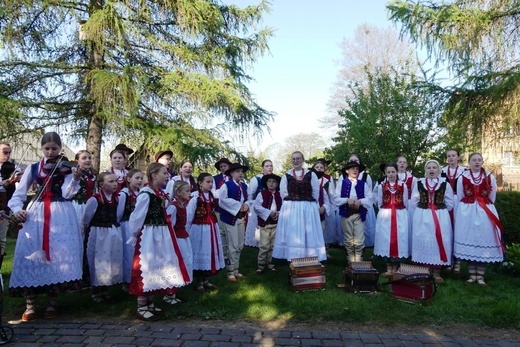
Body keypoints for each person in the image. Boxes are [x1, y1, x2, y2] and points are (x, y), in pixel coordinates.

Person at [8, 132, 83, 321]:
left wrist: (75, 179)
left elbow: (67, 194)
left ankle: (52, 302)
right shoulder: (33, 168)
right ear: (41, 149)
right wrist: (18, 210)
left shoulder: (66, 169)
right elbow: (18, 195)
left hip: (61, 214)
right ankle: (31, 304)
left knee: (57, 254)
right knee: (32, 253)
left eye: (54, 149)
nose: (50, 152)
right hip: (37, 214)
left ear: (60, 149)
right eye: (47, 148)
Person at [127, 163, 191, 321]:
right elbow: (136, 218)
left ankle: (150, 303)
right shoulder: (145, 195)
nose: (166, 175)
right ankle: (141, 307)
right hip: (149, 235)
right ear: (154, 175)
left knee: (157, 267)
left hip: (161, 234)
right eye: (164, 173)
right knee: (147, 267)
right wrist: (135, 235)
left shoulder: (158, 193)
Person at [454, 153, 504, 286]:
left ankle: (480, 276)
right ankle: (472, 275)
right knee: (470, 239)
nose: (476, 162)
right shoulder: (462, 177)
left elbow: (492, 197)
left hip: (485, 212)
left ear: (482, 162)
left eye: (479, 160)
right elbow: (460, 196)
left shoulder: (489, 177)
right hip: (467, 212)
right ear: (469, 163)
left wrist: (483, 205)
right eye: (473, 160)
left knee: (483, 240)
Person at [272, 151, 326, 262]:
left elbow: (315, 193)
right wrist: (294, 202)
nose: (295, 161)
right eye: (293, 159)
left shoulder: (311, 174)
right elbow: (283, 193)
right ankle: (294, 257)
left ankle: (309, 256)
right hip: (292, 208)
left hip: (308, 207)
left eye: (298, 158)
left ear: (303, 160)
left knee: (308, 232)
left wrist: (308, 203)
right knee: (294, 232)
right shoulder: (286, 175)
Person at [82, 172, 124, 302]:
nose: (115, 184)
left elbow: (117, 215)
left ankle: (105, 288)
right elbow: (86, 219)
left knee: (110, 259)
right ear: (101, 184)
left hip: (111, 232)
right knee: (98, 260)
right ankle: (95, 290)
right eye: (111, 181)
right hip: (98, 232)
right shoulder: (95, 199)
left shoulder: (116, 199)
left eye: (115, 181)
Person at [411, 160, 454, 283]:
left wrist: (440, 209)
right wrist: (421, 211)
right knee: (423, 240)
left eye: (434, 167)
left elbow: (450, 202)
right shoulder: (419, 183)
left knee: (437, 241)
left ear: (438, 170)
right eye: (429, 167)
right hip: (422, 215)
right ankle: (425, 270)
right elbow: (414, 201)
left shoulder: (444, 183)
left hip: (440, 216)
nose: (431, 170)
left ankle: (436, 272)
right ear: (425, 170)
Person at [187, 173, 225, 292]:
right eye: (208, 182)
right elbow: (189, 215)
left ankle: (206, 281)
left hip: (211, 228)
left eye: (211, 182)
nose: (210, 184)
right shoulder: (195, 197)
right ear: (200, 183)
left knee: (210, 251)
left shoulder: (212, 196)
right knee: (200, 250)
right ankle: (199, 282)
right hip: (199, 229)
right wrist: (187, 231)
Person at [374, 162, 409, 277]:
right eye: (388, 172)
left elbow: (405, 201)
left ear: (397, 172)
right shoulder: (381, 186)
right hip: (386, 215)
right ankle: (389, 267)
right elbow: (379, 202)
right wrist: (384, 211)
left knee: (400, 238)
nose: (391, 174)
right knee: (386, 238)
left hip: (399, 214)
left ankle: (396, 266)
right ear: (385, 173)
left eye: (393, 172)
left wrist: (400, 211)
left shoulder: (402, 185)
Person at [333, 161, 372, 263]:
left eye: (357, 169)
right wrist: (346, 200)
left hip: (359, 215)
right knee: (348, 240)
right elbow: (335, 199)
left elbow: (370, 200)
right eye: (352, 168)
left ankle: (358, 262)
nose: (355, 170)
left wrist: (360, 201)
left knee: (359, 240)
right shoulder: (341, 183)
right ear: (347, 171)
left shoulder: (363, 184)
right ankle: (351, 262)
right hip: (346, 215)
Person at [218, 163, 250, 282]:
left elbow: (248, 199)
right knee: (233, 245)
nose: (240, 173)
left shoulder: (244, 186)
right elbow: (222, 200)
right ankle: (230, 272)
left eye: (241, 171)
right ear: (231, 173)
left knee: (240, 245)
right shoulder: (226, 185)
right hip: (230, 218)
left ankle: (236, 270)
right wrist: (238, 206)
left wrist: (246, 205)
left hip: (241, 218)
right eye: (237, 171)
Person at [165, 180, 193, 302]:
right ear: (178, 192)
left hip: (183, 238)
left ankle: (174, 292)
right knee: (175, 264)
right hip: (176, 239)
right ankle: (169, 293)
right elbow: (170, 225)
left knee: (185, 261)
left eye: (189, 190)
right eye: (187, 191)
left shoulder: (183, 206)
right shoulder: (173, 207)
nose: (189, 193)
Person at [441, 149, 466, 273]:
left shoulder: (464, 171)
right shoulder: (442, 172)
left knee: (458, 229)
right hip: (446, 202)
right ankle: (448, 259)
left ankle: (458, 260)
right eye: (449, 156)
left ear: (458, 157)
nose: (451, 158)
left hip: (459, 201)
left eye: (453, 156)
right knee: (447, 229)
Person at [119, 169, 143, 286]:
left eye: (141, 178)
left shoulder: (142, 193)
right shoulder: (124, 194)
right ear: (128, 179)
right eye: (137, 178)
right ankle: (127, 280)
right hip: (127, 225)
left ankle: (137, 278)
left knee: (137, 252)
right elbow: (119, 212)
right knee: (128, 253)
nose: (139, 180)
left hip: (139, 226)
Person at [253, 173, 282, 273]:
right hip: (265, 224)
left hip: (276, 224)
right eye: (269, 181)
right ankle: (260, 265)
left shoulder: (280, 195)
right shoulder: (262, 194)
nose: (271, 183)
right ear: (266, 183)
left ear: (277, 184)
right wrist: (269, 213)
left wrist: (278, 213)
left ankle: (271, 263)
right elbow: (257, 207)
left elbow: (284, 208)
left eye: (274, 182)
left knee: (273, 245)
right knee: (264, 245)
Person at [348, 154, 377, 249]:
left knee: (364, 227)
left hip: (363, 205)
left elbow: (369, 192)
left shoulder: (365, 175)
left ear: (359, 162)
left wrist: (361, 202)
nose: (354, 161)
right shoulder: (344, 176)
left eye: (356, 160)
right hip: (349, 206)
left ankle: (363, 248)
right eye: (351, 160)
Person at [245, 159, 274, 248]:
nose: (269, 168)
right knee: (257, 228)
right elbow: (250, 194)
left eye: (271, 166)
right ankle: (257, 244)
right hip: (258, 206)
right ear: (263, 168)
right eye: (267, 166)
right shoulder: (257, 179)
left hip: (271, 206)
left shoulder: (274, 179)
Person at [212, 157, 233, 261]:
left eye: (225, 166)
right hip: (219, 207)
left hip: (232, 208)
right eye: (221, 167)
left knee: (231, 230)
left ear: (229, 166)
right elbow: (213, 192)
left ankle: (232, 252)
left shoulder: (233, 178)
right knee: (221, 231)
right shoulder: (215, 179)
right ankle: (224, 253)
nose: (223, 168)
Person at [396, 155, 417, 253]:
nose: (402, 164)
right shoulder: (390, 176)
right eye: (400, 162)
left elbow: (415, 194)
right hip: (394, 205)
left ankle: (409, 249)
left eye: (404, 162)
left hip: (408, 204)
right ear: (397, 164)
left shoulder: (412, 179)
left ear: (407, 164)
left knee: (408, 227)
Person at [0, 141, 16, 258]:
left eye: (9, 153)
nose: (8, 155)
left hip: (4, 207)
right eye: (5, 152)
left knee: (1, 241)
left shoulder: (11, 167)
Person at [71, 150, 96, 223]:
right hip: (78, 205)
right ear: (77, 161)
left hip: (90, 204)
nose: (88, 160)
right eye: (84, 158)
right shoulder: (74, 173)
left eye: (89, 158)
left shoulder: (93, 175)